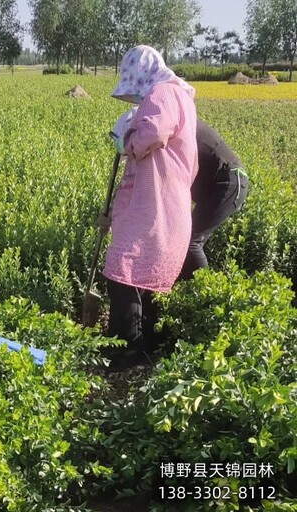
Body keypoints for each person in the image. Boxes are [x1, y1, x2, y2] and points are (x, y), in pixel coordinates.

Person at [101, 45, 198, 370]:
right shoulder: (178, 95)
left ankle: (127, 356)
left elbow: (153, 132)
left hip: (153, 205)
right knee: (144, 276)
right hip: (162, 204)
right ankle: (148, 351)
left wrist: (127, 138)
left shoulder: (163, 92)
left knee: (123, 273)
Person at [179, 120, 249, 279]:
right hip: (216, 184)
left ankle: (207, 291)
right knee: (184, 238)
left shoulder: (180, 127)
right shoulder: (179, 121)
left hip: (229, 182)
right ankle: (185, 291)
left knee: (191, 241)